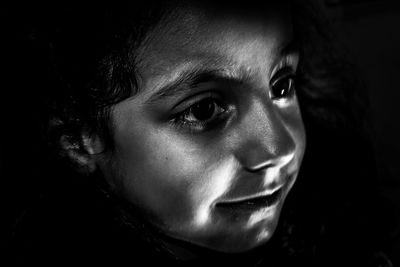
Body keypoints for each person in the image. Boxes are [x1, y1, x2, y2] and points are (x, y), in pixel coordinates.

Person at [7, 0, 395, 266]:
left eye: (281, 86)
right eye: (204, 109)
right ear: (77, 141)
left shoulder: (344, 233)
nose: (280, 147)